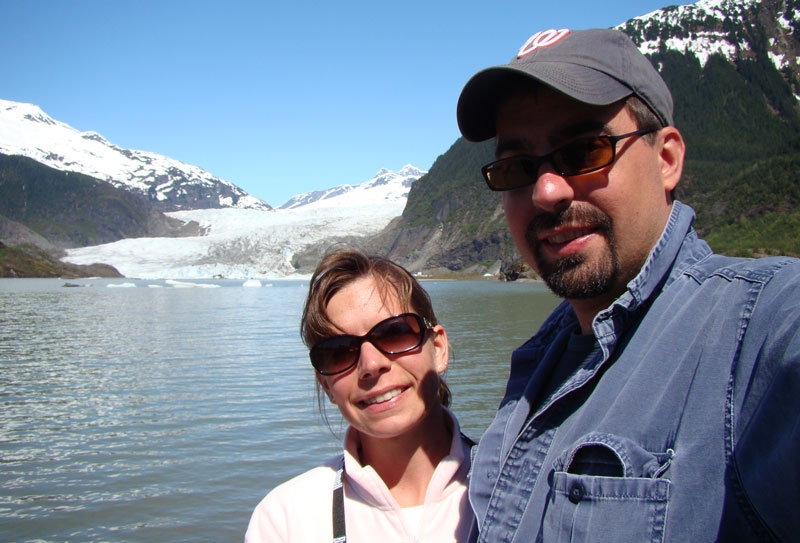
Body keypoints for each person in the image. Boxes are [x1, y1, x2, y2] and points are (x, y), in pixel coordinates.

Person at [455, 27, 800, 542]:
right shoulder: (543, 359)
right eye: (517, 167)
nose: (547, 190)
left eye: (583, 149)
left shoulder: (758, 327)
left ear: (666, 160)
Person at [245, 248, 474, 542]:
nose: (371, 364)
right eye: (339, 352)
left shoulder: (519, 486)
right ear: (325, 384)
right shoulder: (285, 520)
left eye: (395, 332)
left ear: (438, 348)